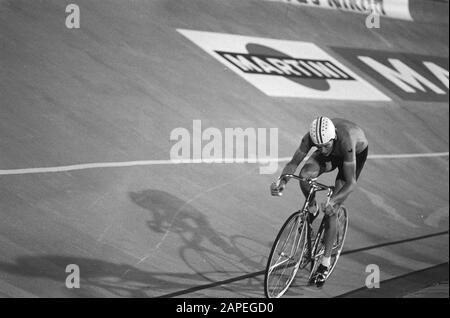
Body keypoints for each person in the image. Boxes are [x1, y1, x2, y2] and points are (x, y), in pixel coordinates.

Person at [270, 116, 368, 287]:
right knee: (304, 176)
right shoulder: (312, 138)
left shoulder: (346, 142)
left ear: (333, 138)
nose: (321, 151)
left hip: (354, 155)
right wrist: (282, 181)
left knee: (331, 211)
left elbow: (351, 183)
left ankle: (325, 263)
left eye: (325, 146)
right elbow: (293, 163)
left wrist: (334, 201)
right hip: (335, 151)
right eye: (318, 147)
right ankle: (313, 208)